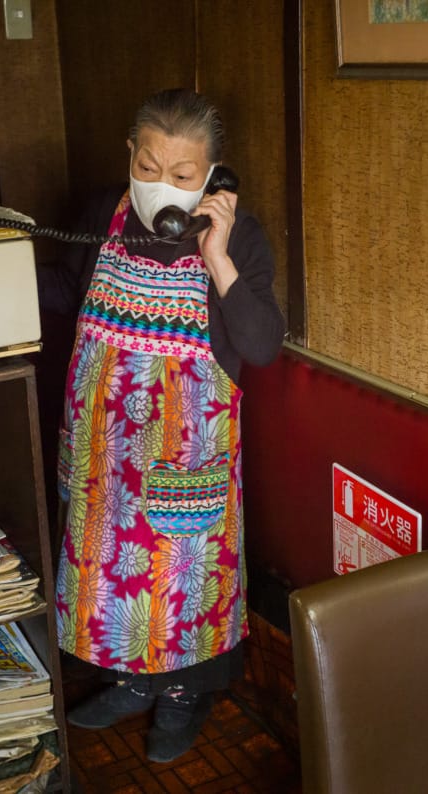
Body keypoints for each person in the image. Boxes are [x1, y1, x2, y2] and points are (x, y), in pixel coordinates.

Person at [37, 87, 285, 763]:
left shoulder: (242, 239)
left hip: (185, 462)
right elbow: (64, 287)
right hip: (102, 458)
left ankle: (180, 698)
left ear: (212, 178)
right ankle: (129, 682)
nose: (161, 186)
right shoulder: (101, 214)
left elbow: (261, 345)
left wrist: (219, 256)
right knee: (108, 582)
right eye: (148, 167)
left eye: (181, 176)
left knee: (181, 589)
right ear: (129, 154)